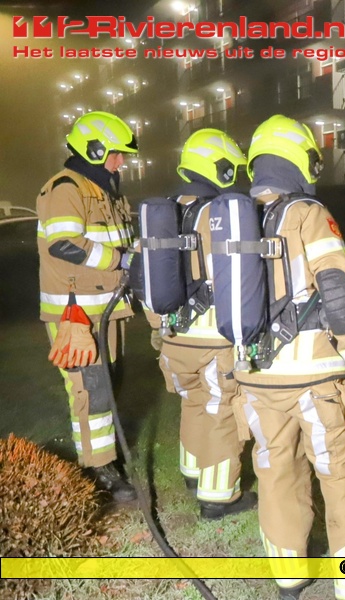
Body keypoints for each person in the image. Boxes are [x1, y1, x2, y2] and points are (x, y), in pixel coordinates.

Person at [232, 116, 345, 600]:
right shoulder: (307, 213)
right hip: (314, 379)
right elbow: (337, 289)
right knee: (342, 475)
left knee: (275, 473)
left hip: (254, 377)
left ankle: (289, 578)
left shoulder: (235, 218)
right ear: (301, 160)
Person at [148, 128, 256, 519]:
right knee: (221, 410)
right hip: (213, 337)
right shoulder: (219, 214)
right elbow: (232, 275)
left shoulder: (166, 211)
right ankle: (219, 497)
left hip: (173, 334)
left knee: (193, 402)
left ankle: (192, 472)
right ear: (220, 168)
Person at [36, 111, 138, 501]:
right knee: (90, 390)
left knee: (109, 384)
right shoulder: (66, 188)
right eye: (116, 153)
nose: (121, 161)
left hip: (107, 306)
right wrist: (121, 260)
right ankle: (98, 471)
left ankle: (106, 455)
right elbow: (64, 244)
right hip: (76, 313)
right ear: (94, 150)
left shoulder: (104, 190)